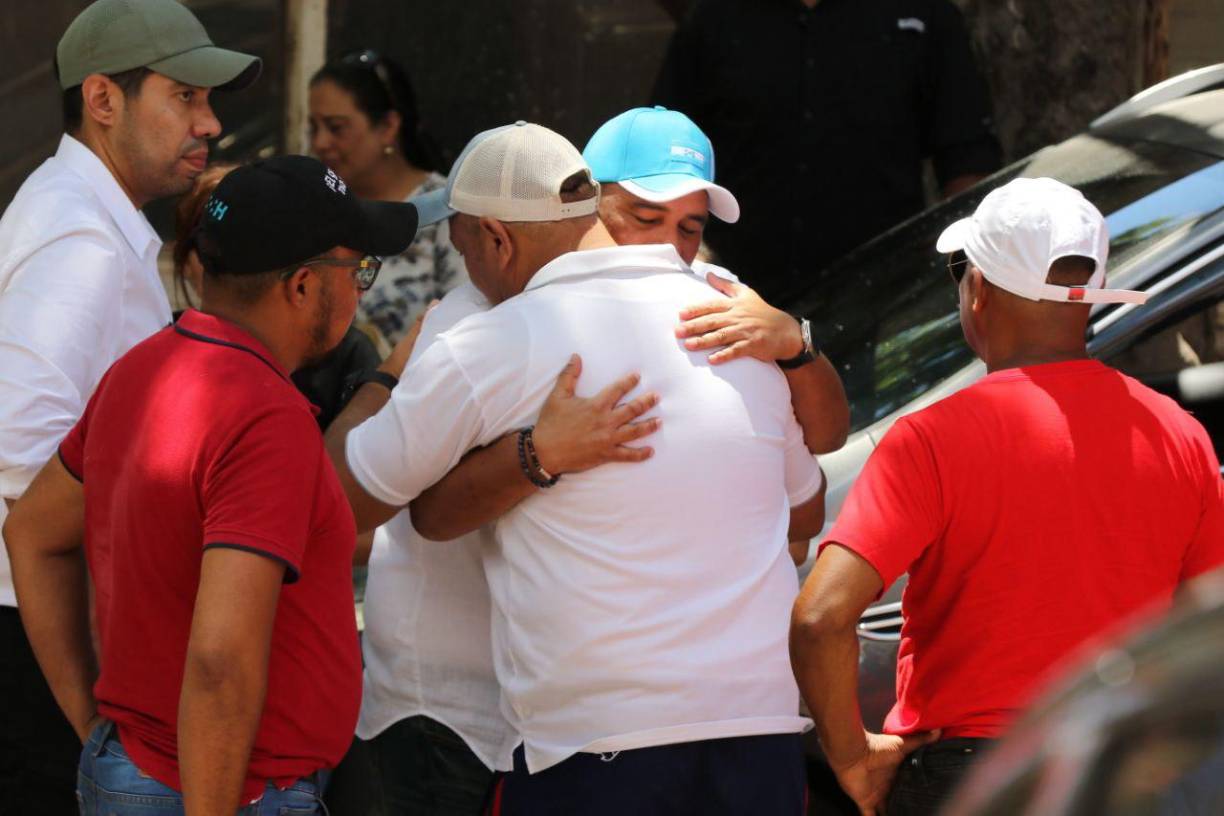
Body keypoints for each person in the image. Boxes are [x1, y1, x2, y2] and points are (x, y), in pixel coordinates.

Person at [352, 108, 848, 816]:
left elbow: (365, 499)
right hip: (706, 727)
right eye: (647, 214)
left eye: (689, 225)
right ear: (588, 198)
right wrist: (539, 456)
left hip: (604, 736)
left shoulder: (735, 314)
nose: (670, 243)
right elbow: (804, 502)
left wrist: (794, 344)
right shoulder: (487, 320)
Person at [3, 155, 424, 815]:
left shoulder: (139, 370)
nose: (361, 291)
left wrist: (94, 724)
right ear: (305, 286)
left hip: (142, 770)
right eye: (359, 271)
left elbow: (30, 531)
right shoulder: (264, 415)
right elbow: (220, 660)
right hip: (233, 793)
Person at [790, 177, 1224, 816]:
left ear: (980, 290)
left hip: (968, 777)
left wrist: (852, 758)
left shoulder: (931, 440)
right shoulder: (1182, 436)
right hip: (1123, 774)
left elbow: (819, 617)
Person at [0, 1, 259, 810]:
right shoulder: (79, 238)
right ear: (103, 100)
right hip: (46, 638)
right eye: (185, 97)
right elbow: (18, 451)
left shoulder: (87, 221)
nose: (211, 124)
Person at [653, 0, 1003, 302]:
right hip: (729, 292)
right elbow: (663, 153)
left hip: (880, 305)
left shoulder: (922, 15)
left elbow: (968, 162)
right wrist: (686, 254)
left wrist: (956, 282)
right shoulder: (714, 17)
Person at [310, 49, 467, 345]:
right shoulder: (316, 206)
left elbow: (465, 333)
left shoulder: (446, 209)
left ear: (388, 127)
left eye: (336, 128)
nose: (320, 142)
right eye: (313, 127)